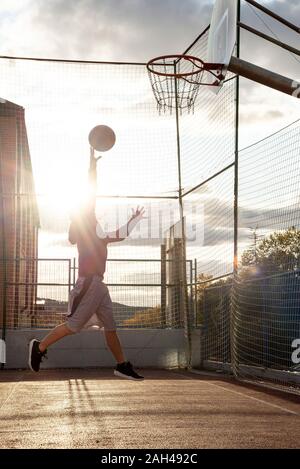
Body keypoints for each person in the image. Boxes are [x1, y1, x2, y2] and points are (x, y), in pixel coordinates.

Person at [28, 150, 146, 381]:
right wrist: (92, 169)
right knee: (73, 326)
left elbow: (120, 235)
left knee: (111, 327)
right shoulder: (85, 224)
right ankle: (39, 347)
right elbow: (90, 193)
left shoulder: (98, 235)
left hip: (99, 286)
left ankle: (122, 365)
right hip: (89, 283)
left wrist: (133, 220)